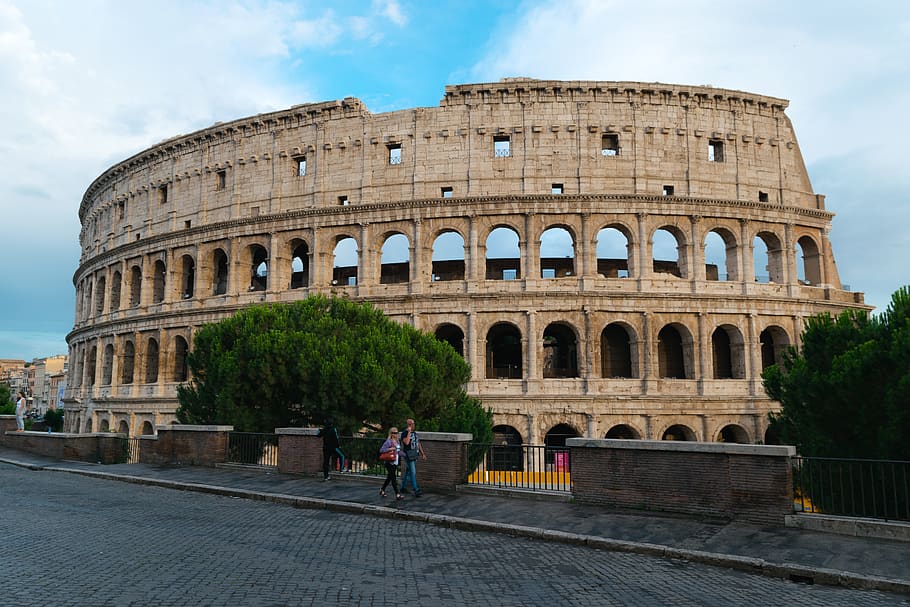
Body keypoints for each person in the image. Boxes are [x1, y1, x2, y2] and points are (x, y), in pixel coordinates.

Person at [398, 418, 426, 496]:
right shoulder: (404, 433)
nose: (413, 425)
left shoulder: (415, 433)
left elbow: (418, 443)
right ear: (408, 425)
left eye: (413, 424)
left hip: (414, 455)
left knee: (408, 472)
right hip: (408, 456)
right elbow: (406, 443)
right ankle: (416, 490)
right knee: (413, 472)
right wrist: (409, 432)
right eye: (410, 424)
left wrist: (422, 453)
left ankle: (403, 487)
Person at [378, 427, 403, 499]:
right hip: (389, 462)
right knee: (393, 478)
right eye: (395, 433)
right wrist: (390, 449)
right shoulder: (388, 441)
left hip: (395, 461)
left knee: (389, 478)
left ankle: (382, 489)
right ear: (391, 434)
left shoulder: (397, 441)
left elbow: (397, 451)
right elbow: (381, 450)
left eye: (397, 432)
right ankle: (397, 494)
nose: (396, 434)